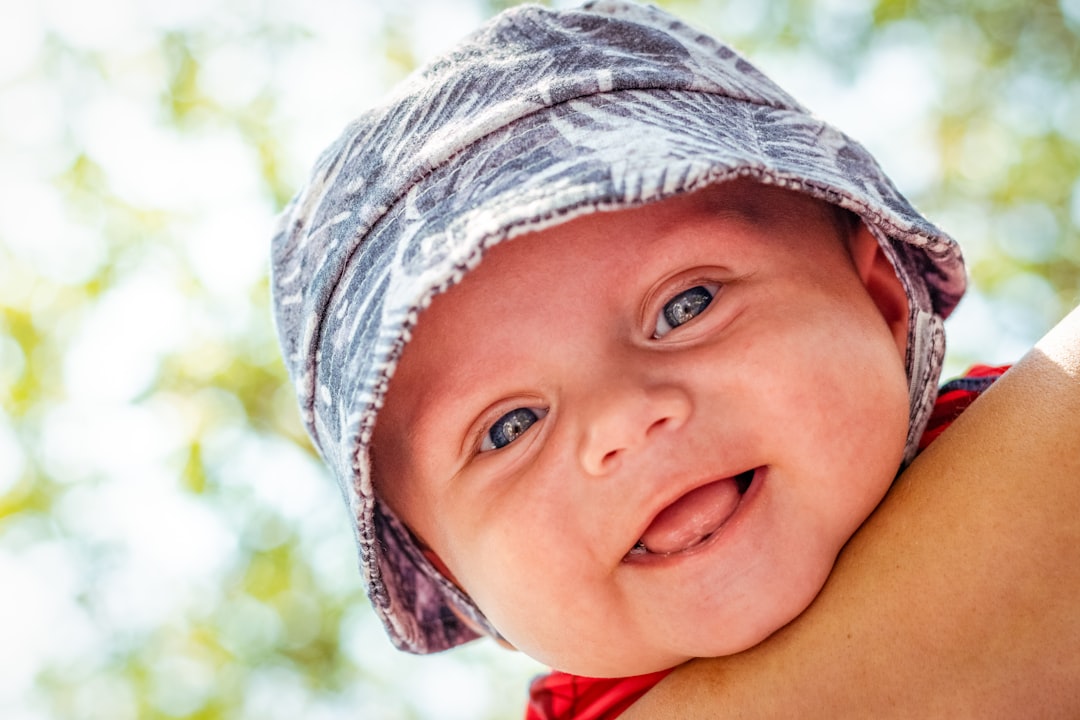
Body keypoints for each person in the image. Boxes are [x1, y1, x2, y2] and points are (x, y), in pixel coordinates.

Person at [269, 1, 1079, 717]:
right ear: (455, 578)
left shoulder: (1038, 423)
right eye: (509, 427)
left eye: (685, 307)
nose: (623, 418)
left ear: (882, 299)